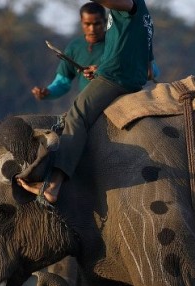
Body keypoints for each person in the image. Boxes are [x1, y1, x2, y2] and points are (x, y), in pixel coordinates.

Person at [17, 0, 155, 205]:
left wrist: (107, 73)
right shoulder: (145, 19)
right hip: (119, 77)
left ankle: (53, 185)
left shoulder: (129, 5)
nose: (92, 28)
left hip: (113, 80)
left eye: (95, 24)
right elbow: (148, 69)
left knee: (76, 115)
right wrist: (99, 70)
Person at [31, 2, 108, 102]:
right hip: (87, 103)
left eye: (96, 24)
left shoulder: (115, 43)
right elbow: (62, 82)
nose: (92, 29)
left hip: (116, 100)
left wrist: (100, 71)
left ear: (105, 22)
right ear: (81, 23)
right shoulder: (74, 47)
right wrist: (48, 92)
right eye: (87, 24)